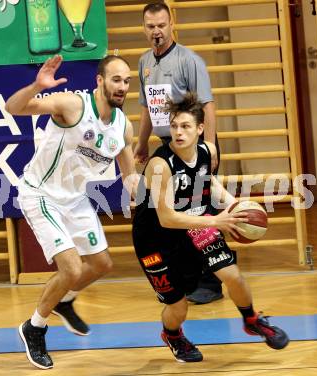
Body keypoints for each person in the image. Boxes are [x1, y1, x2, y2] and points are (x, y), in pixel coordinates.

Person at [132, 92, 289, 363]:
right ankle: (172, 335)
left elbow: (210, 185)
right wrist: (217, 220)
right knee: (178, 305)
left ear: (200, 129)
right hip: (155, 239)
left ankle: (251, 320)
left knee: (233, 276)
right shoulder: (160, 165)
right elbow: (167, 218)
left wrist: (236, 208)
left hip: (195, 224)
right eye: (174, 126)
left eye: (185, 126)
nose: (178, 132)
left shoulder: (206, 151)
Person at [5, 55, 138, 369]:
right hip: (40, 194)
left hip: (74, 199)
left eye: (127, 81)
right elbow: (13, 108)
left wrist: (152, 198)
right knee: (72, 270)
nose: (122, 87)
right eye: (116, 79)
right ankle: (34, 327)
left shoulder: (123, 127)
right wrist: (37, 86)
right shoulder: (72, 105)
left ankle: (63, 301)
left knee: (102, 264)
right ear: (100, 81)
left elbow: (130, 177)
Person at [134, 0, 223, 304]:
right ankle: (185, 278)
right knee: (171, 213)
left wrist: (208, 145)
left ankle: (211, 282)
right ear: (143, 28)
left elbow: (207, 105)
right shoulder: (144, 61)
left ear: (171, 24)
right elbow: (147, 107)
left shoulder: (190, 60)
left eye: (161, 25)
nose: (156, 31)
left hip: (195, 146)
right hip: (167, 146)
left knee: (203, 209)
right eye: (150, 26)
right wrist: (142, 142)